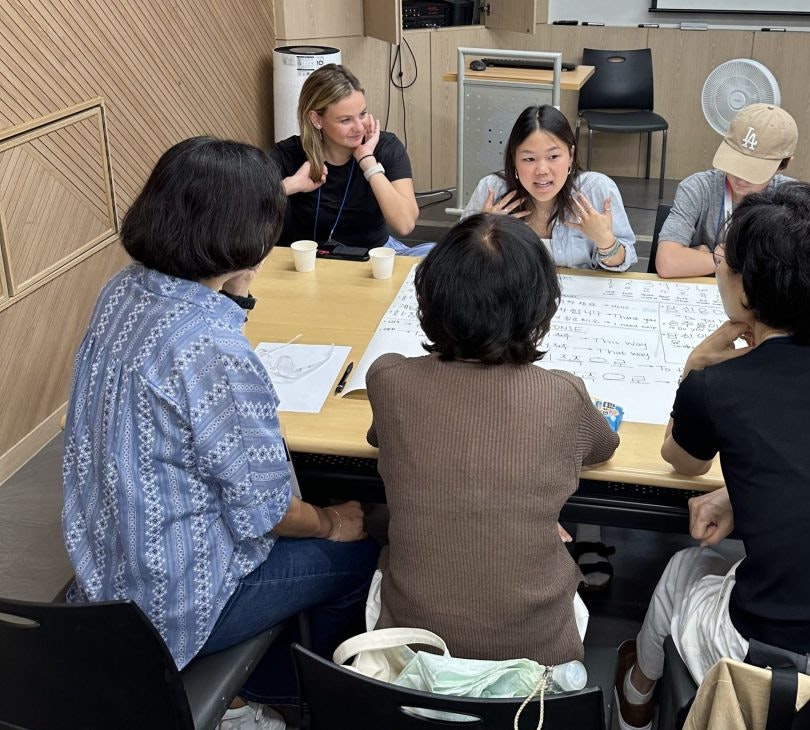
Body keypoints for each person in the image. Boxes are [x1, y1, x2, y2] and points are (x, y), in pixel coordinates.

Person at [62, 137, 379, 730]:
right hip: (170, 601)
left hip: (102, 570)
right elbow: (268, 512)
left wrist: (236, 289)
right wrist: (334, 522)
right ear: (253, 235)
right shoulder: (211, 348)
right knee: (359, 553)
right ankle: (283, 699)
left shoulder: (122, 289)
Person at [614, 183, 810, 730]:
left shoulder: (720, 387)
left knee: (687, 565)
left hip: (766, 669)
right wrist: (744, 492)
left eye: (723, 260)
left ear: (746, 291)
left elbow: (681, 463)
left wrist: (697, 363)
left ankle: (636, 695)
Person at [364, 213, 620, 665]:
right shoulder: (561, 393)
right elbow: (602, 448)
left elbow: (381, 437)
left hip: (412, 651)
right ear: (540, 309)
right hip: (535, 658)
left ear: (430, 300)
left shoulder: (388, 379)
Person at [270, 63, 428, 255]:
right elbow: (242, 205)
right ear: (316, 119)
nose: (359, 128)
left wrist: (368, 162)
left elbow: (405, 224)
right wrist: (291, 185)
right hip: (308, 261)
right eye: (345, 120)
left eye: (362, 114)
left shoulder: (386, 147)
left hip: (374, 256)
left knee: (432, 253)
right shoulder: (289, 154)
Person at [463, 104, 638, 272]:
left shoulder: (597, 189)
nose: (542, 171)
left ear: (570, 155)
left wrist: (605, 241)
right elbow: (459, 262)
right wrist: (483, 232)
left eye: (553, 156)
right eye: (529, 159)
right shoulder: (491, 190)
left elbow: (624, 263)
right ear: (514, 159)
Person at [654, 103, 798, 279]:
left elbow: (796, 274)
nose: (740, 177)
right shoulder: (698, 188)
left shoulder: (793, 199)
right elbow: (668, 263)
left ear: (783, 163)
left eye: (754, 169)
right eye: (735, 162)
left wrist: (713, 258)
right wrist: (721, 259)